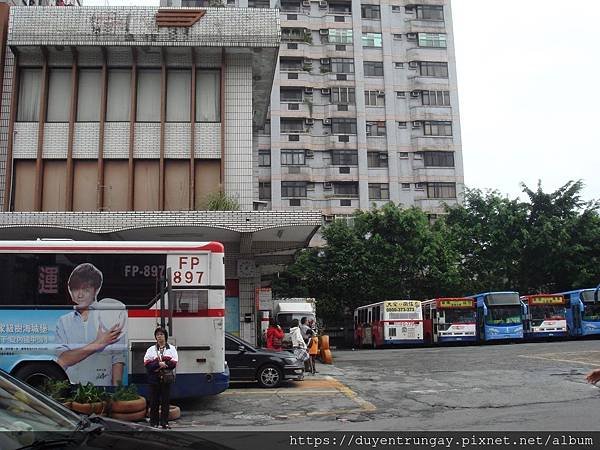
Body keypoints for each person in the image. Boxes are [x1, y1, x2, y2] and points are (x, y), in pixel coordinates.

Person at [55, 263, 127, 386]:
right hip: (72, 390)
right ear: (69, 289)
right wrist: (99, 343)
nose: (80, 294)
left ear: (96, 290)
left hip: (103, 389)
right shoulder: (63, 321)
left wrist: (117, 393)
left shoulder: (111, 317)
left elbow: (117, 359)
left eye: (86, 289)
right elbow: (63, 359)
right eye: (75, 289)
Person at [144, 327, 178, 429]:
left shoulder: (171, 349)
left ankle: (164, 422)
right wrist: (159, 364)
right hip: (154, 379)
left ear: (165, 336)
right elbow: (147, 364)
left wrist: (165, 364)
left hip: (166, 379)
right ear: (155, 337)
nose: (159, 337)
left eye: (161, 334)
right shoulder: (151, 350)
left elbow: (174, 363)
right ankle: (153, 422)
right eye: (157, 335)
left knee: (165, 401)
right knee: (154, 401)